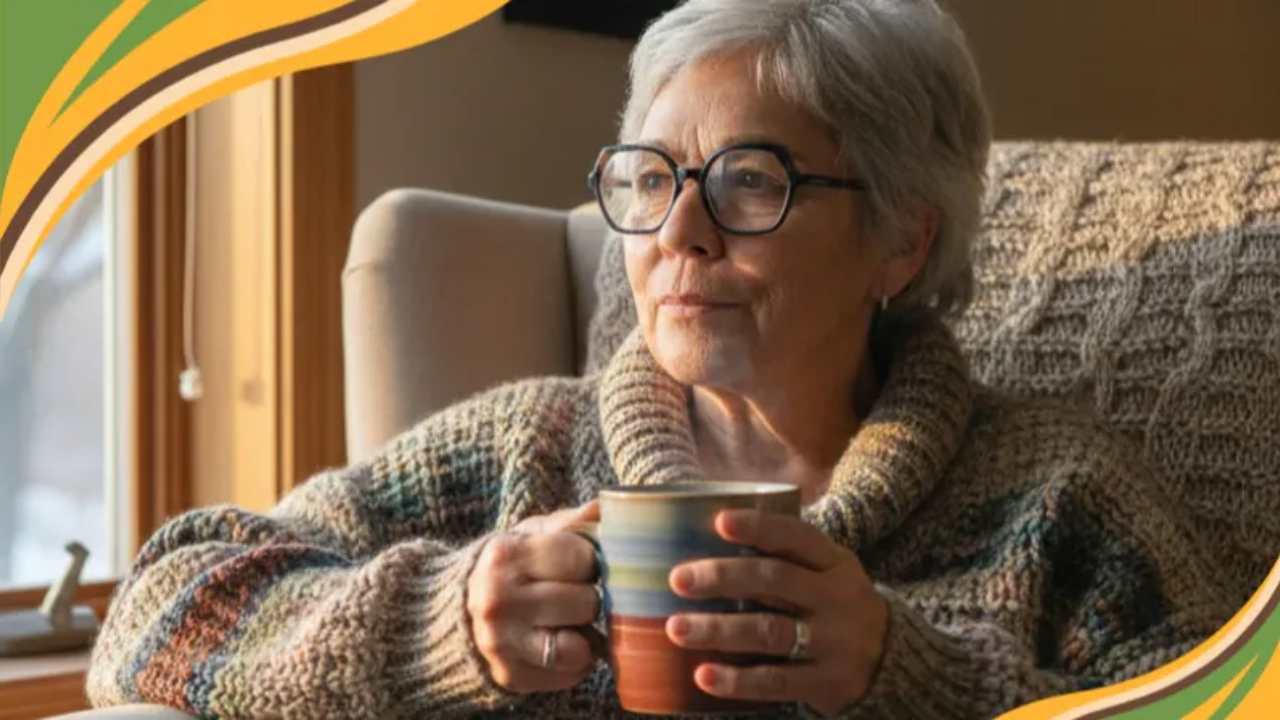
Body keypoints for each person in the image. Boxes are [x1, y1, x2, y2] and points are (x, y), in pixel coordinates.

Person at [88, 0, 1236, 717]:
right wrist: (439, 623)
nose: (678, 233)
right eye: (648, 179)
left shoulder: (1054, 504)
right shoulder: (520, 453)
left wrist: (909, 677)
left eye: (748, 180)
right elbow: (154, 610)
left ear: (898, 234)